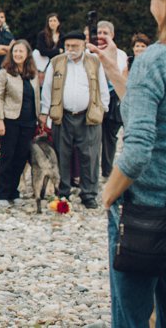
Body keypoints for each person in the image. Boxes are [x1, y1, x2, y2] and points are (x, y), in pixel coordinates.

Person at [92, 0, 166, 327]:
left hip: (146, 215)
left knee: (131, 318)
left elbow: (138, 149)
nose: (150, 5)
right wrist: (115, 74)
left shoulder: (153, 60)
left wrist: (109, 192)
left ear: (164, 0)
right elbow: (157, 114)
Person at [39, 30, 110, 209]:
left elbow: (102, 87)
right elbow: (47, 89)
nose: (71, 49)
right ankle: (63, 191)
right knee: (62, 154)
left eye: (75, 46)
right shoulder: (56, 62)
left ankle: (89, 194)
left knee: (90, 155)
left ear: (83, 45)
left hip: (88, 115)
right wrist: (44, 112)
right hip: (63, 116)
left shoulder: (94, 62)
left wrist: (103, 109)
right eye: (68, 46)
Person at [0, 39, 40, 207]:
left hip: (28, 122)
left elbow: (37, 98)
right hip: (10, 120)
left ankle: (14, 190)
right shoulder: (4, 73)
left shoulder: (32, 74)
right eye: (15, 51)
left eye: (21, 51)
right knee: (8, 156)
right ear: (11, 54)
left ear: (27, 54)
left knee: (21, 158)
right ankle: (2, 193)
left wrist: (40, 118)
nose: (18, 54)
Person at [97, 20, 128, 179]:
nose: (101, 36)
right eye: (99, 33)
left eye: (105, 33)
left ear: (112, 35)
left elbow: (119, 76)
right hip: (94, 97)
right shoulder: (90, 52)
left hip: (113, 97)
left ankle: (107, 170)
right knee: (93, 137)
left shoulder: (121, 54)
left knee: (109, 136)